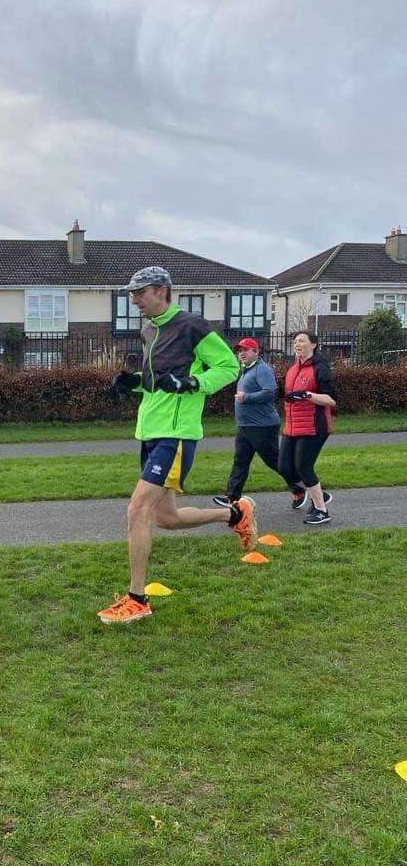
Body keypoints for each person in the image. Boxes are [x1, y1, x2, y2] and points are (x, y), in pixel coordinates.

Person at [98, 267, 257, 626]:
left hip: (176, 434)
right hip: (151, 430)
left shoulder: (192, 326)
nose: (133, 300)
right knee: (165, 519)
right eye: (132, 294)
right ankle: (235, 514)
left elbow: (228, 367)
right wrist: (134, 382)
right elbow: (159, 381)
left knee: (136, 511)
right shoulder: (149, 329)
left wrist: (191, 384)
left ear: (160, 290)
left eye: (138, 293)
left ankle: (137, 599)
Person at [212, 337, 307, 509]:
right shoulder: (246, 369)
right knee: (240, 461)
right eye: (239, 351)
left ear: (255, 352)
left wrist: (246, 398)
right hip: (245, 426)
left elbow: (269, 393)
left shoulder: (262, 369)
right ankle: (232, 497)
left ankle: (304, 488)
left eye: (245, 350)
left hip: (262, 426)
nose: (241, 353)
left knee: (275, 461)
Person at [278, 330, 337, 525]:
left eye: (302, 340)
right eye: (295, 341)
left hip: (314, 427)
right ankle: (318, 493)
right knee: (285, 467)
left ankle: (321, 510)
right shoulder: (293, 369)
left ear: (313, 345)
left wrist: (307, 395)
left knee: (304, 467)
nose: (297, 344)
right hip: (292, 427)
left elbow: (331, 400)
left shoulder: (320, 368)